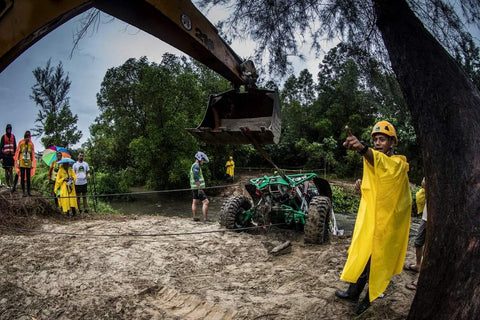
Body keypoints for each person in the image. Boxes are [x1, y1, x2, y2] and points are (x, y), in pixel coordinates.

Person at [335, 121, 412, 315]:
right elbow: (378, 185)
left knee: (376, 262)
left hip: (389, 223)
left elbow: (382, 165)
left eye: (382, 139)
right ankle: (353, 292)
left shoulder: (398, 165)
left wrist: (362, 148)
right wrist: (363, 185)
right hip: (374, 220)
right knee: (364, 254)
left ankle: (369, 299)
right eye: (375, 139)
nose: (378, 143)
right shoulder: (377, 162)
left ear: (392, 143)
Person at [404, 177, 428, 290]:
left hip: (435, 219)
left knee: (429, 251)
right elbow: (423, 182)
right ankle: (418, 265)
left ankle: (421, 279)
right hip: (426, 217)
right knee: (418, 242)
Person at [14, 130, 36, 197]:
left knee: (28, 178)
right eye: (26, 137)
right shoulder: (21, 143)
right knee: (22, 177)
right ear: (24, 137)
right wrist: (17, 162)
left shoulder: (31, 144)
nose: (27, 138)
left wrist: (32, 163)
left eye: (28, 137)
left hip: (28, 163)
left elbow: (32, 154)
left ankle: (28, 192)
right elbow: (18, 153)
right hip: (22, 162)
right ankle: (24, 192)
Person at [190, 151, 209, 223]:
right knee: (206, 202)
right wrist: (200, 188)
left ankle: (195, 217)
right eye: (203, 160)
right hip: (198, 188)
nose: (203, 162)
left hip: (194, 188)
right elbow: (196, 178)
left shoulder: (193, 165)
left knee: (195, 202)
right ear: (200, 158)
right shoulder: (196, 166)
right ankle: (205, 219)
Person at [1, 124, 16, 188]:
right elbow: (0, 148)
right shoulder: (3, 137)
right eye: (8, 129)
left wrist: (15, 155)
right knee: (6, 170)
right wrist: (1, 157)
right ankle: (8, 184)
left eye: (10, 129)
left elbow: (15, 146)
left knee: (11, 169)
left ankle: (12, 184)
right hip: (5, 156)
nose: (9, 130)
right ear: (6, 129)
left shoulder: (13, 136)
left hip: (11, 156)